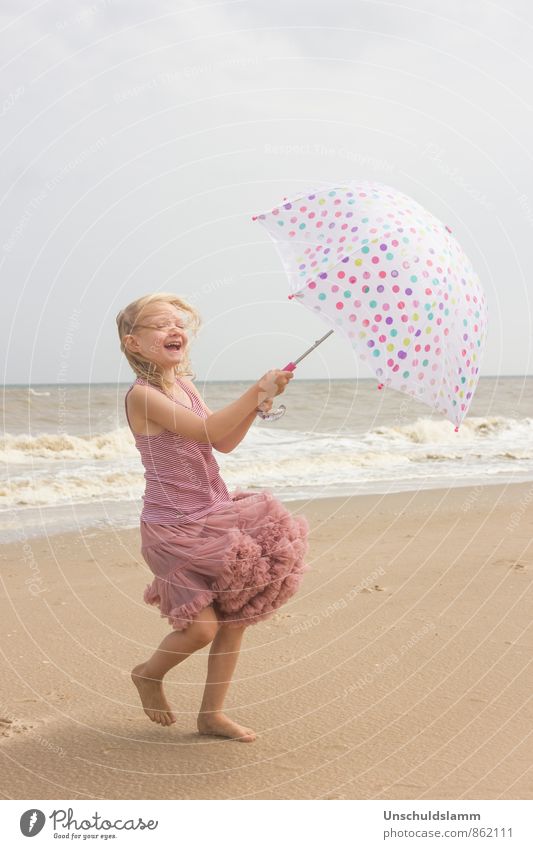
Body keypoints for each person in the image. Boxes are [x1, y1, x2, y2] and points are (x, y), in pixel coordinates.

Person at [116, 293, 310, 742]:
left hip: (214, 514)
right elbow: (206, 429)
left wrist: (259, 401)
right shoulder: (143, 397)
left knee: (233, 618)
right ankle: (148, 675)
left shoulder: (184, 386)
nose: (174, 329)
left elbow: (221, 442)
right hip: (172, 530)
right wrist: (252, 391)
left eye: (178, 323)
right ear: (134, 343)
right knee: (201, 628)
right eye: (160, 325)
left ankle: (212, 714)